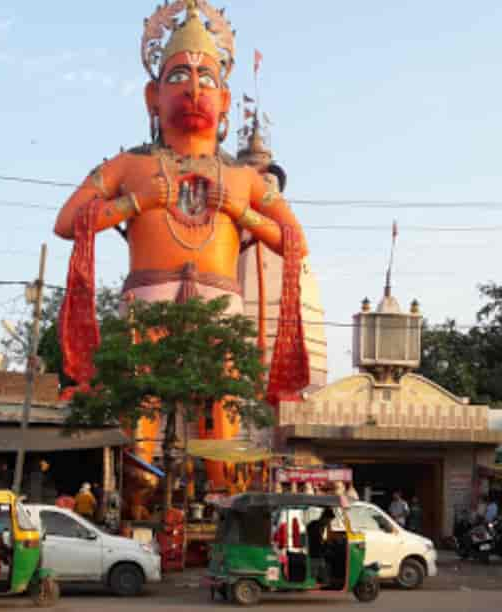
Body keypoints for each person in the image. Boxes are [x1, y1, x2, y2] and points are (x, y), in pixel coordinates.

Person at [54, 0, 311, 494]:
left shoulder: (243, 176)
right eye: (178, 77)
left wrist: (243, 212)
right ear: (153, 97)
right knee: (141, 416)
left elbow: (296, 240)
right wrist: (135, 201)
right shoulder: (129, 165)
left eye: (207, 79)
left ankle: (225, 505)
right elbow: (67, 222)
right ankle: (138, 506)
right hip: (145, 307)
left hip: (221, 308)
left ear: (227, 101)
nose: (194, 89)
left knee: (222, 417)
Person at [307, 508, 336, 584]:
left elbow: (320, 541)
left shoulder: (319, 525)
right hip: (314, 552)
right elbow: (317, 542)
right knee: (328, 559)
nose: (329, 522)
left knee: (329, 556)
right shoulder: (316, 526)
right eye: (329, 520)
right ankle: (323, 580)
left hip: (316, 550)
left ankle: (323, 579)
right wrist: (326, 546)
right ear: (325, 517)